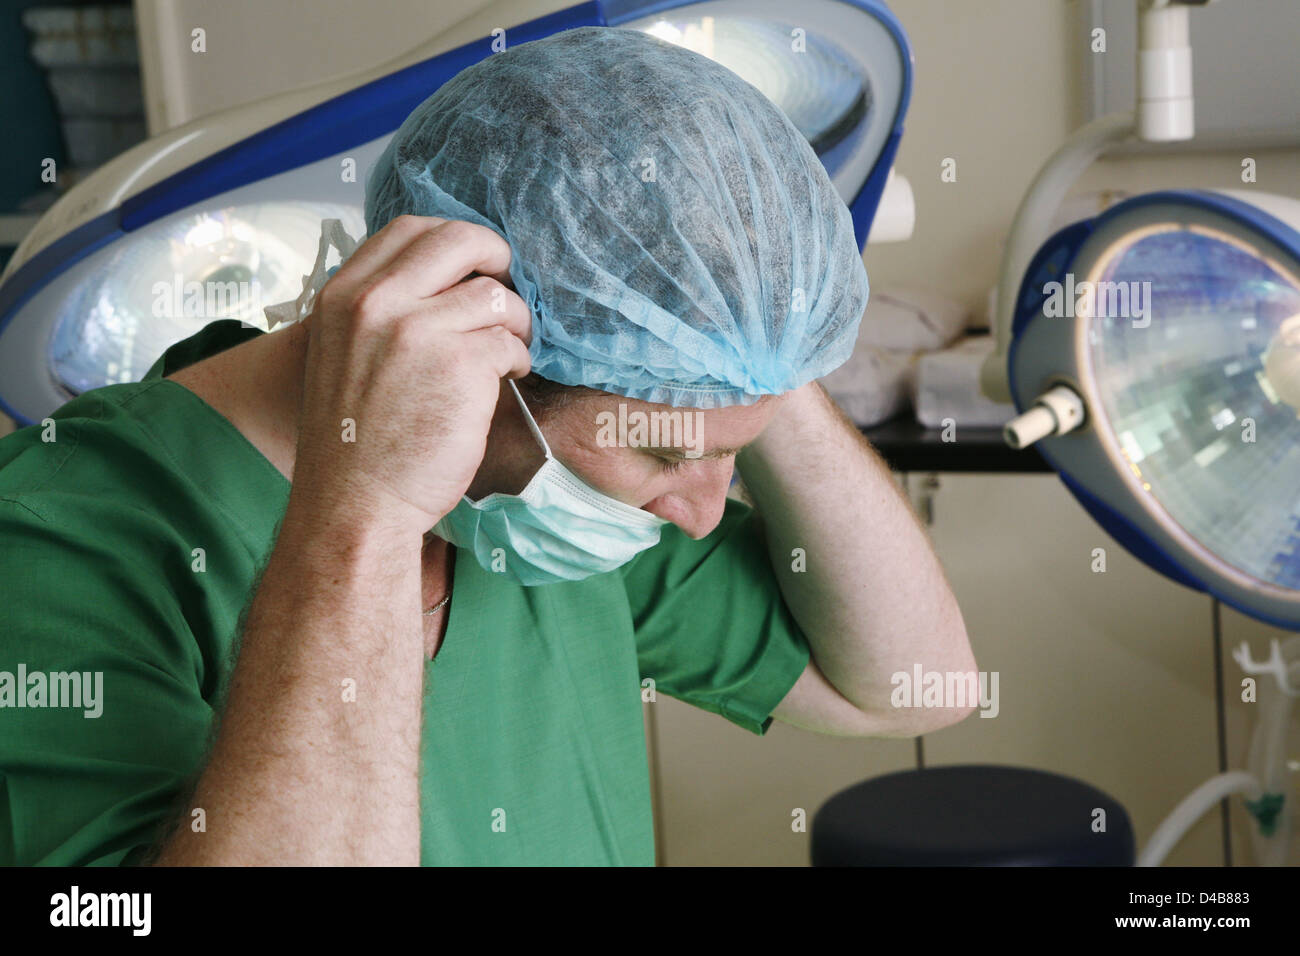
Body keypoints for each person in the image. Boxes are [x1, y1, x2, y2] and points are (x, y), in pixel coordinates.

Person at [0, 27, 975, 866]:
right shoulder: (60, 538)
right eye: (669, 455)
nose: (704, 509)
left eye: (729, 452)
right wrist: (366, 516)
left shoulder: (533, 518)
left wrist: (733, 321)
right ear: (470, 356)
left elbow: (908, 685)